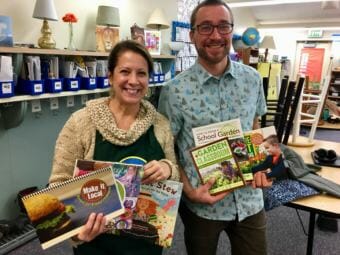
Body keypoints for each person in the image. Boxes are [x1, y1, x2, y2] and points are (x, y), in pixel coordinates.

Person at [158, 0, 272, 254]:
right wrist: (189, 191)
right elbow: (167, 148)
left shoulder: (252, 79)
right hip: (203, 203)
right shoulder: (174, 91)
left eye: (223, 26)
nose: (216, 35)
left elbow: (254, 125)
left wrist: (261, 165)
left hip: (249, 199)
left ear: (232, 31)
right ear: (193, 34)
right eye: (206, 27)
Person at [49, 40, 180, 255]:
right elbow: (57, 187)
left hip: (145, 244)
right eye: (125, 72)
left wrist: (167, 168)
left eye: (141, 73)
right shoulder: (80, 123)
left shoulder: (160, 124)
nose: (133, 81)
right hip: (96, 244)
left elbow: (174, 174)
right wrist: (75, 232)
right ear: (110, 76)